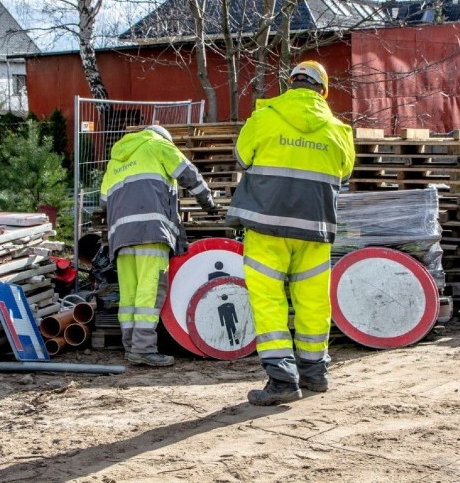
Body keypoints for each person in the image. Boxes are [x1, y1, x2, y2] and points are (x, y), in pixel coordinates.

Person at [226, 60, 355, 405]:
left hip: (267, 226)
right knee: (313, 300)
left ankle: (283, 380)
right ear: (322, 91)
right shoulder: (338, 130)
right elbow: (344, 174)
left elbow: (241, 157)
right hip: (315, 228)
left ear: (290, 84)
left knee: (269, 300)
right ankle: (315, 373)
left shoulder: (264, 117)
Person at [100, 124, 217, 366]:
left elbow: (103, 202)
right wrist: (209, 203)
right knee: (149, 291)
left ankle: (131, 346)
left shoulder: (115, 161)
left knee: (130, 294)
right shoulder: (159, 145)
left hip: (120, 237)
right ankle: (144, 349)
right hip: (151, 231)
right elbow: (188, 174)